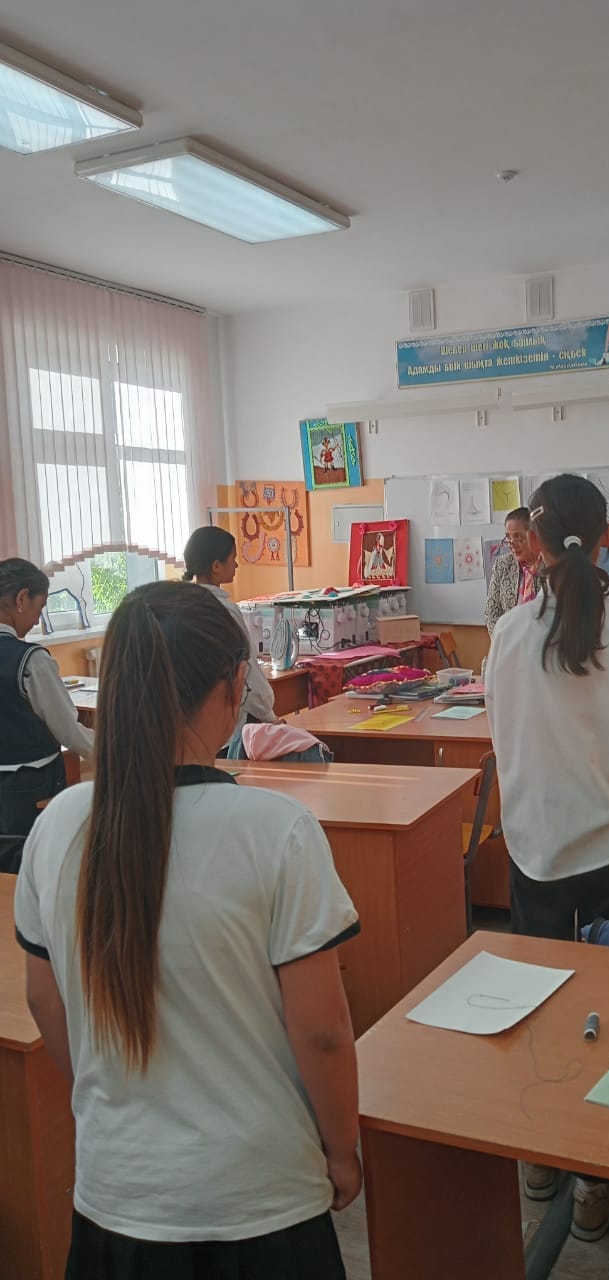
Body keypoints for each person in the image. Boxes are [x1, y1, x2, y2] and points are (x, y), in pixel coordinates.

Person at [15, 580, 361, 1278]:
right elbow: (322, 1032)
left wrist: (111, 1102)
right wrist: (342, 1149)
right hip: (259, 1195)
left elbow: (44, 999)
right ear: (233, 686)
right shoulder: (277, 829)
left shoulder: (57, 824)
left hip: (116, 1192)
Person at [484, 474, 609, 1242]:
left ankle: (541, 1155)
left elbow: (503, 739)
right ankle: (601, 1178)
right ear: (606, 541)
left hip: (533, 851)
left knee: (538, 1003)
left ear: (532, 540)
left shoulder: (507, 636)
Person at [0, 558, 94, 874]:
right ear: (21, 599)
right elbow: (68, 731)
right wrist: (117, 751)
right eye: (39, 608)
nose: (37, 619)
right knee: (33, 866)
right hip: (29, 783)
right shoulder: (30, 660)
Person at [182, 525, 278, 738]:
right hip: (233, 720)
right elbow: (246, 667)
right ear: (216, 566)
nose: (236, 564)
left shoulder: (183, 605)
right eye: (233, 558)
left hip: (195, 720)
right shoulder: (223, 610)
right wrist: (268, 714)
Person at [484, 506, 542, 635]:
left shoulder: (550, 565)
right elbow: (491, 613)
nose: (512, 544)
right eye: (508, 537)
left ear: (533, 536)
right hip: (508, 641)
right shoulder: (502, 565)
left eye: (518, 537)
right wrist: (506, 641)